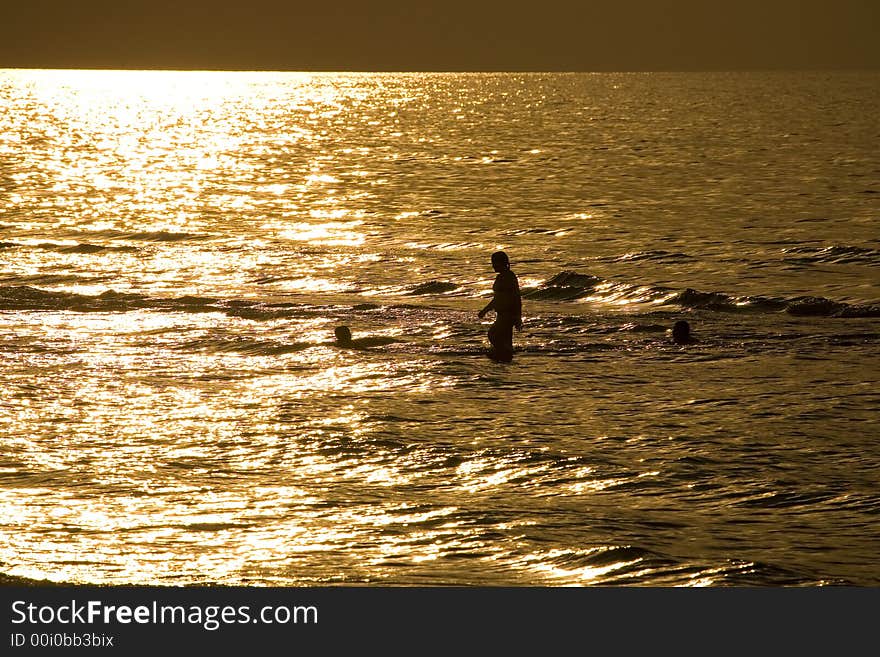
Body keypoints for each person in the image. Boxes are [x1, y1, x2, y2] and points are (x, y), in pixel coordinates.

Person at [478, 251, 523, 361]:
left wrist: (517, 316)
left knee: (492, 335)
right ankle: (505, 360)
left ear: (501, 263)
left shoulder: (509, 276)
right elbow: (497, 298)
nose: (492, 265)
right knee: (505, 341)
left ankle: (502, 354)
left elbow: (516, 297)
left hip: (508, 315)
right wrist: (485, 310)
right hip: (502, 314)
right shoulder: (502, 276)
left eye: (494, 263)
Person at [332, 325, 399, 350]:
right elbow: (365, 350)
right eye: (347, 333)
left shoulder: (335, 344)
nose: (350, 334)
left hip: (374, 341)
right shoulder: (353, 345)